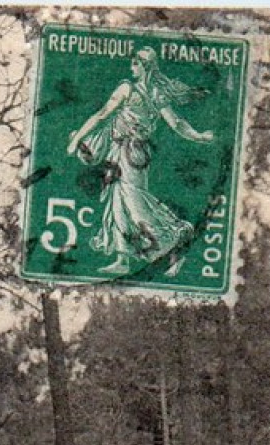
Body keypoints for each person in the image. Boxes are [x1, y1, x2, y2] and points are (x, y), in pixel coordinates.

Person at [65, 46, 216, 277]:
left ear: (145, 66)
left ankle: (176, 244)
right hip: (117, 151)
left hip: (134, 155)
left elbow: (176, 123)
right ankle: (122, 259)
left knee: (136, 205)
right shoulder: (131, 88)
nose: (131, 66)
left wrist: (199, 136)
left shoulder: (154, 93)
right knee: (117, 204)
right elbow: (102, 115)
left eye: (135, 62)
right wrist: (78, 137)